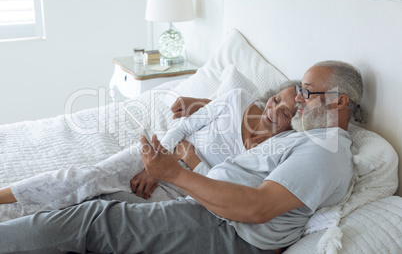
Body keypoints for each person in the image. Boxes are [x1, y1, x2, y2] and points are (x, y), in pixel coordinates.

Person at [0, 60, 364, 253]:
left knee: (92, 218)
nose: (298, 100)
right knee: (102, 196)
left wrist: (173, 172)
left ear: (338, 100)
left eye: (306, 92)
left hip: (229, 231)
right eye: (296, 91)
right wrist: (205, 109)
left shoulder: (325, 151)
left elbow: (258, 208)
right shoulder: (305, 138)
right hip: (207, 208)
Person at [0, 81, 298, 217]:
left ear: (294, 125)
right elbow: (182, 128)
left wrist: (191, 159)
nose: (274, 110)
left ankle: (21, 224)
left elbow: (225, 185)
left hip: (190, 189)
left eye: (286, 112)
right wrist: (153, 168)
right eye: (276, 100)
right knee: (85, 178)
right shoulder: (237, 98)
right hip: (160, 157)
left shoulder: (272, 152)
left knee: (101, 207)